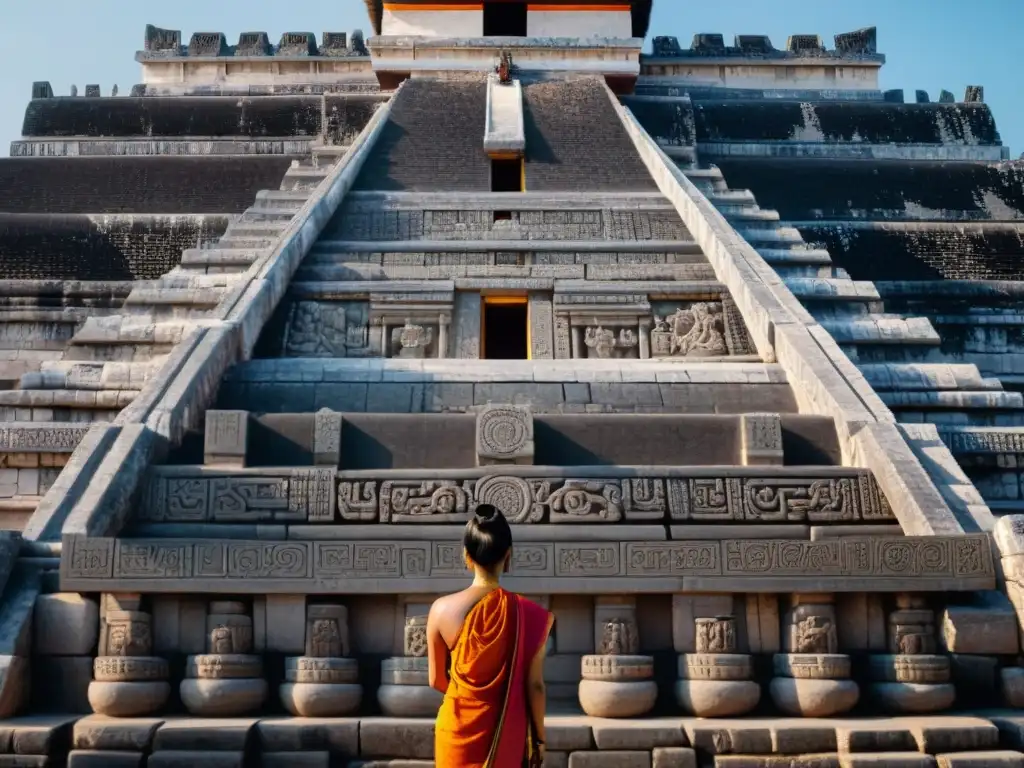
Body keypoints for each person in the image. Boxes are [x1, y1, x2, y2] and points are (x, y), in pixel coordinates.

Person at [429, 504, 554, 768]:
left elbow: (436, 679)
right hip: (506, 730)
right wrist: (539, 740)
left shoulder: (440, 609)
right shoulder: (528, 614)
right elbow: (536, 686)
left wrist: (471, 696)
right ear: (508, 556)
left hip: (455, 729)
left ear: (466, 555)